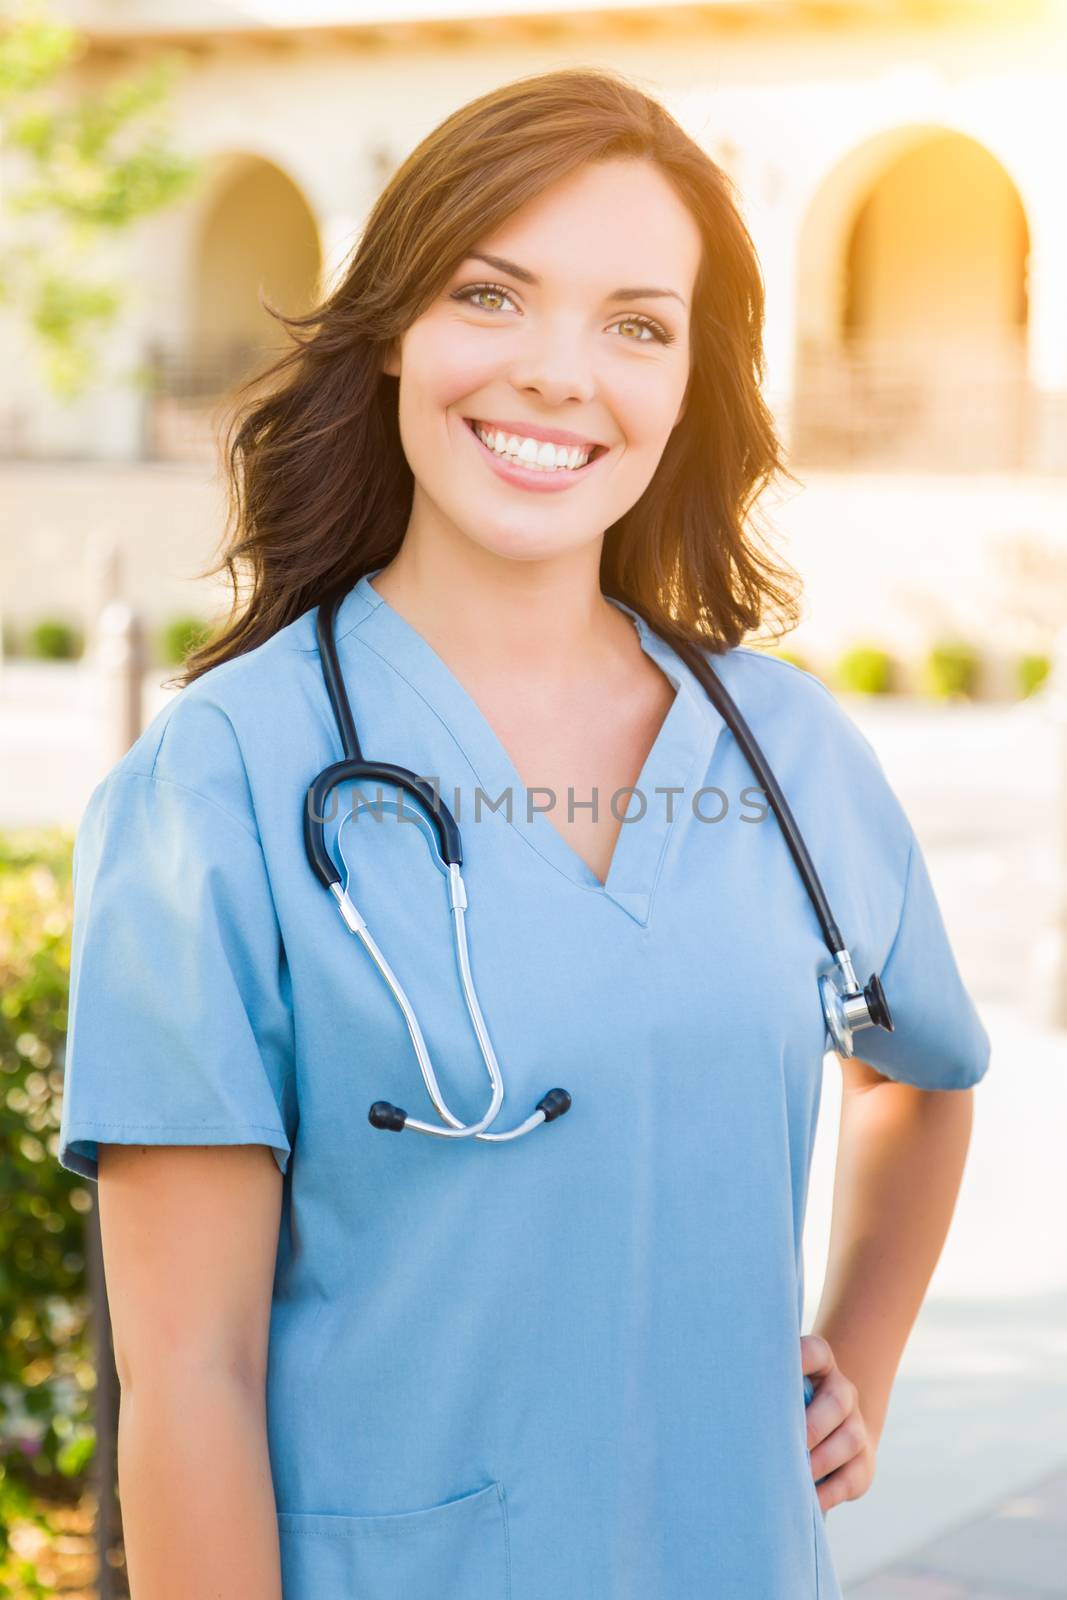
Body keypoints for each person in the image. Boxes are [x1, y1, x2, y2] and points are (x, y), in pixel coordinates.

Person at [57, 66, 990, 1600]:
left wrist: (862, 1359)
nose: (563, 372)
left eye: (636, 323)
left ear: (691, 383)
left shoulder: (789, 750)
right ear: (395, 338)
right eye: (493, 296)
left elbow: (918, 1073)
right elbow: (189, 1384)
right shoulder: (220, 781)